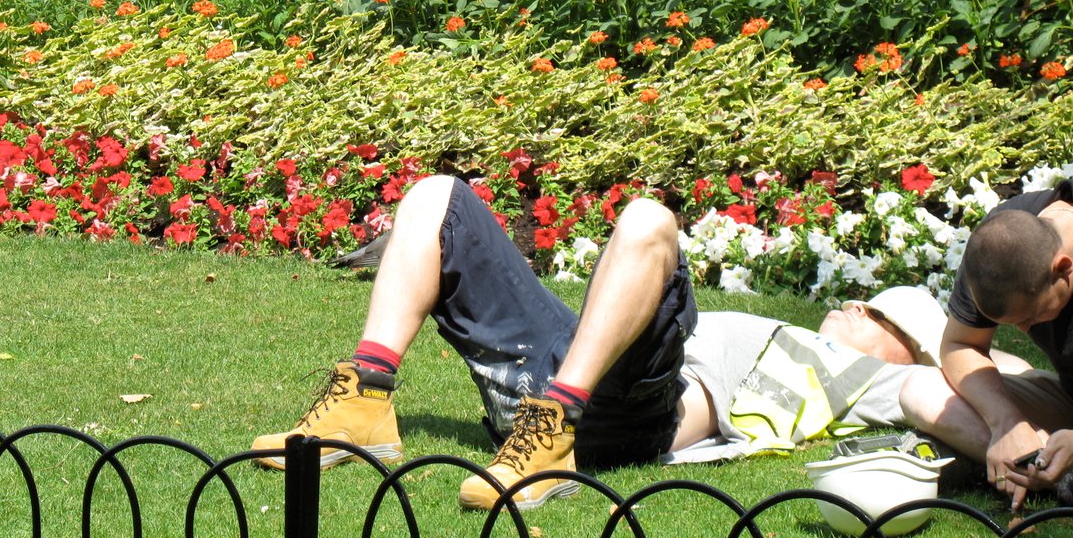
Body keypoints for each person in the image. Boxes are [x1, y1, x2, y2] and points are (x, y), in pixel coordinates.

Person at [251, 176, 948, 512]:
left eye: (895, 333)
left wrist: (1029, 444)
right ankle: (366, 402)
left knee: (648, 220)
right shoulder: (804, 337)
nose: (859, 313)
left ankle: (551, 435)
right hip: (565, 359)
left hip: (627, 412)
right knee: (437, 196)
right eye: (873, 312)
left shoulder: (860, 381)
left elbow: (958, 387)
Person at [908, 182, 1073, 511]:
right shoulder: (1001, 242)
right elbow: (959, 345)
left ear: (1064, 268)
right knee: (920, 390)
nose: (1025, 329)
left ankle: (1040, 466)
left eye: (1034, 314)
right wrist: (1006, 422)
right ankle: (1044, 465)